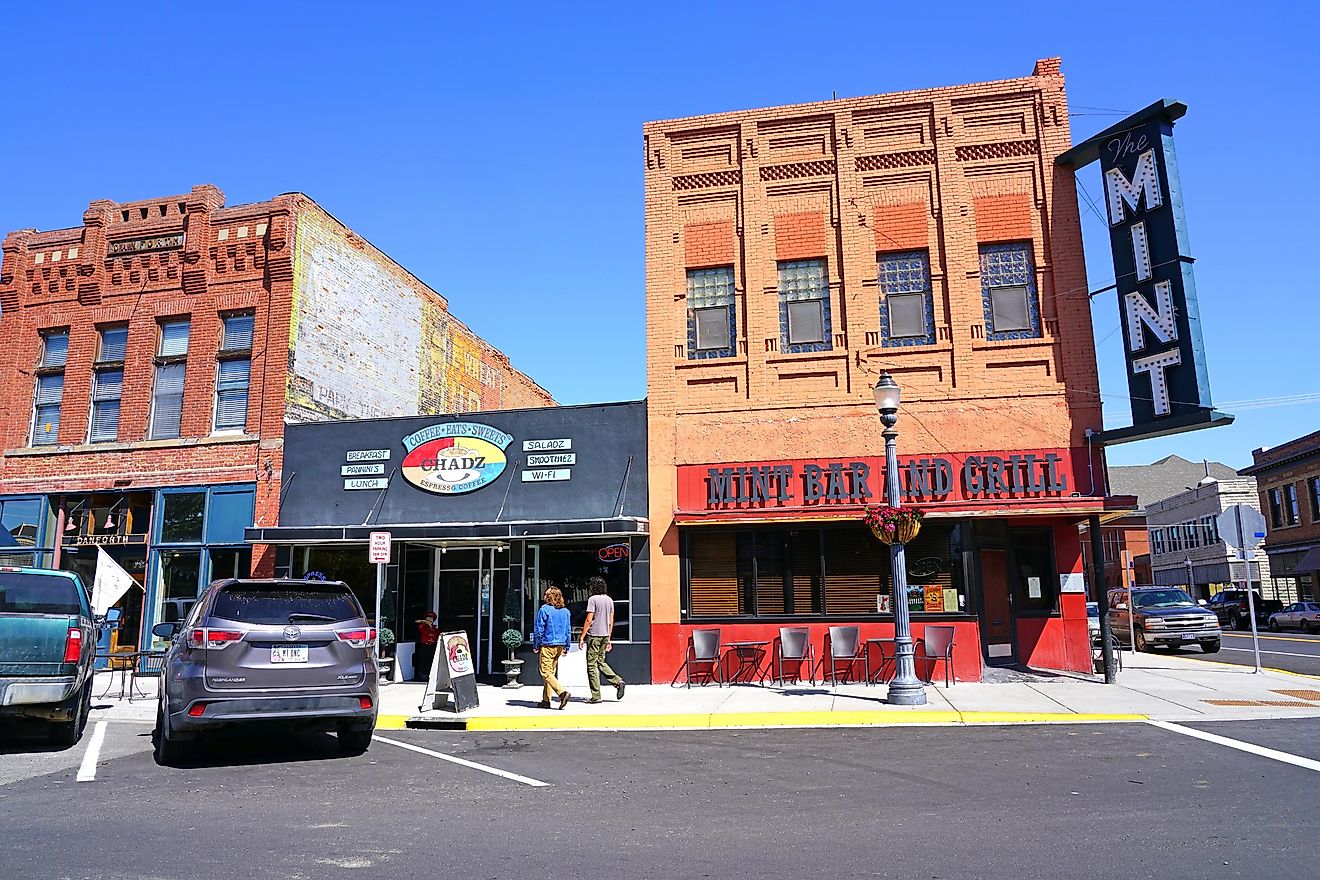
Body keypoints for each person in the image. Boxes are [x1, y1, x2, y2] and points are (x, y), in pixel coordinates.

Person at [579, 576, 625, 703]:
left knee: (591, 665)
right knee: (601, 662)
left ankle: (596, 695)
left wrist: (582, 637)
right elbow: (611, 621)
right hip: (605, 635)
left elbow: (589, 620)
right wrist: (609, 637)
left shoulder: (592, 599)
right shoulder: (609, 600)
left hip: (594, 635)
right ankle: (617, 681)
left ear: (593, 587)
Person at [532, 586, 572, 709]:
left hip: (548, 644)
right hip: (560, 644)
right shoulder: (565, 611)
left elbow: (539, 629)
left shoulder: (544, 610)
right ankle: (546, 700)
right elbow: (568, 630)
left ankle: (562, 693)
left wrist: (536, 644)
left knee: (545, 672)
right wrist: (567, 645)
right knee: (551, 673)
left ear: (548, 597)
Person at [413, 611, 439, 682]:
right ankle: (423, 676)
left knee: (431, 661)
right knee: (423, 661)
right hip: (424, 646)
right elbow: (417, 622)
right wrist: (425, 622)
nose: (430, 619)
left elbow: (437, 636)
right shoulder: (422, 627)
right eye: (428, 618)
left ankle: (430, 675)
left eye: (431, 618)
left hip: (432, 646)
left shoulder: (435, 629)